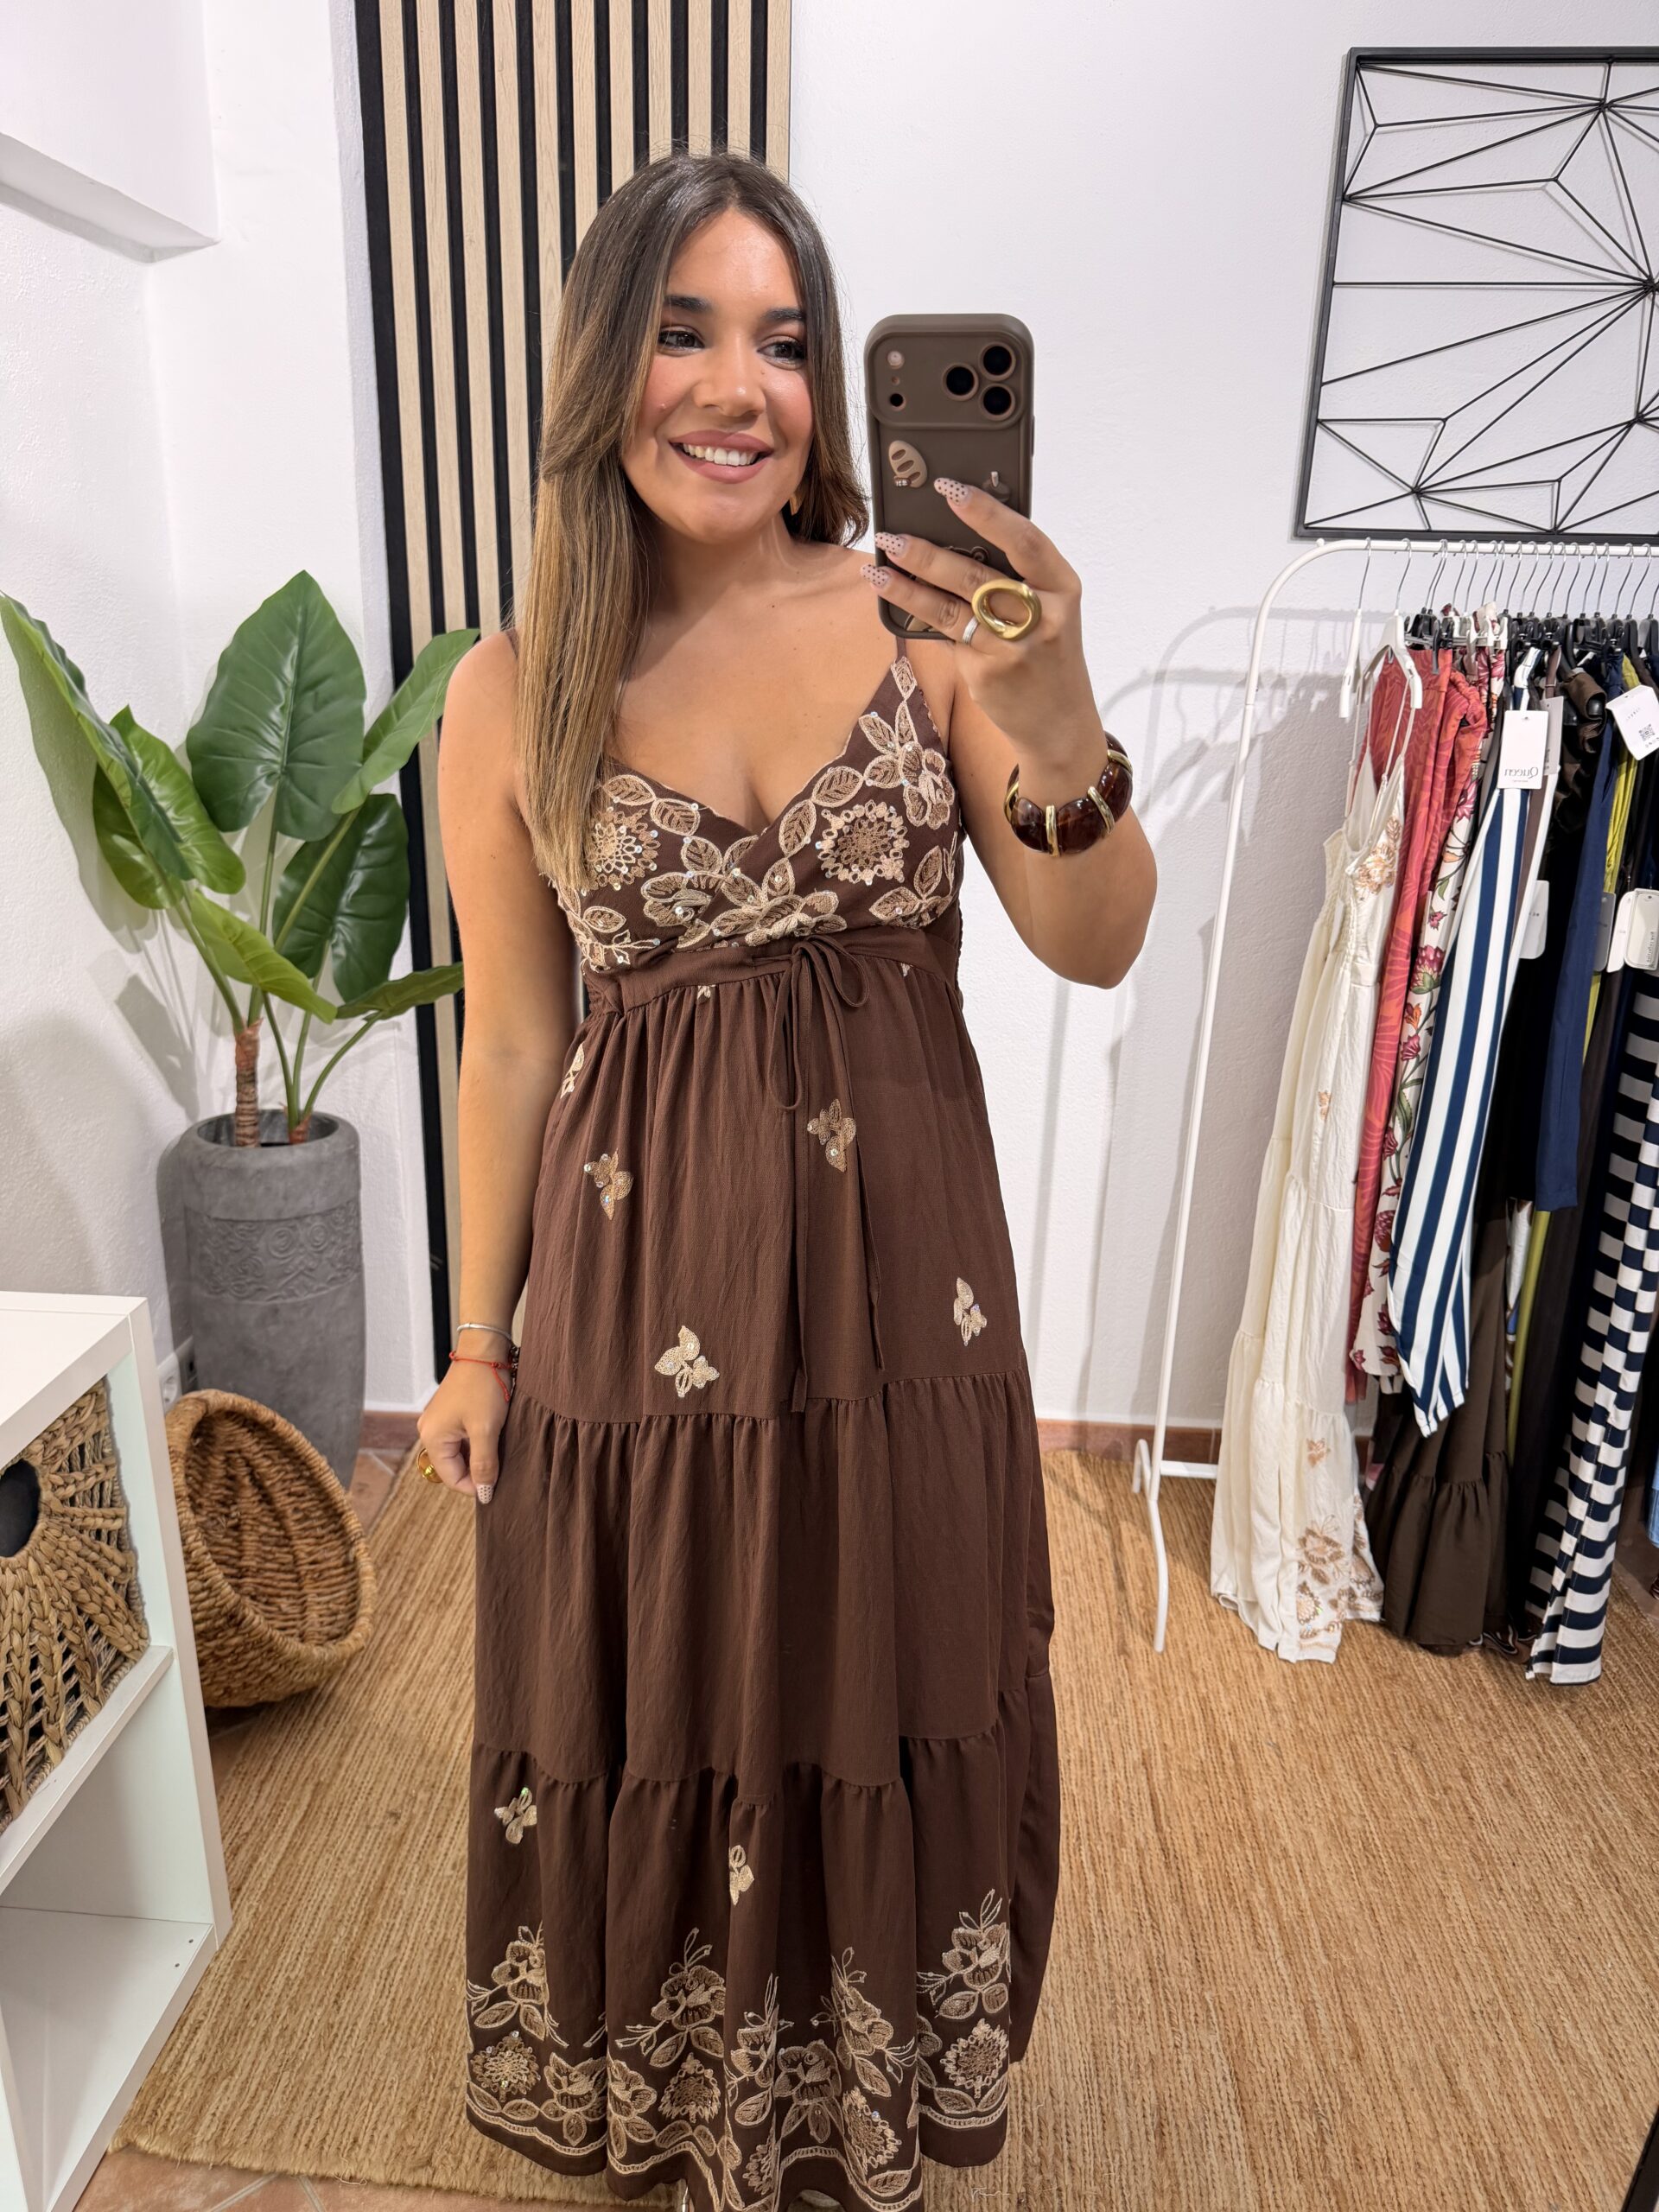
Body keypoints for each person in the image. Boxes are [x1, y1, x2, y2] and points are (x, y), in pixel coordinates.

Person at [418, 148, 1154, 2212]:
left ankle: (857, 2107)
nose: (736, 386)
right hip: (638, 1324)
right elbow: (514, 1042)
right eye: (683, 331)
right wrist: (474, 1342)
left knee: (887, 1679)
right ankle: (691, 2103)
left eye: (783, 337)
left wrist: (1058, 711)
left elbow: (1096, 940)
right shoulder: (510, 686)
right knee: (668, 1700)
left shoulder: (927, 616)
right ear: (603, 364)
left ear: (832, 384)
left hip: (904, 1320)